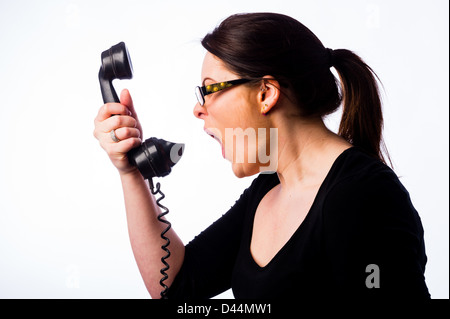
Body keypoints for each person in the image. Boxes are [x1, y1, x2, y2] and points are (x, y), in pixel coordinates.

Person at [93, 12, 430, 299]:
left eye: (209, 89)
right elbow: (177, 285)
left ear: (266, 93)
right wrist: (130, 171)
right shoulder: (269, 188)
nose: (199, 109)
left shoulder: (362, 196)